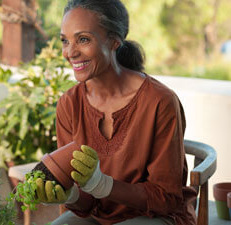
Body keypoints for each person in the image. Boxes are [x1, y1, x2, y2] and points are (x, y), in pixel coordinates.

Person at [34, 0, 197, 224]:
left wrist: (102, 185)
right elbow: (85, 202)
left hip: (155, 215)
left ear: (114, 41)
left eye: (83, 39)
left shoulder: (160, 101)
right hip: (98, 216)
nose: (70, 52)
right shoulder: (69, 104)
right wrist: (70, 195)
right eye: (65, 41)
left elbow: (166, 198)